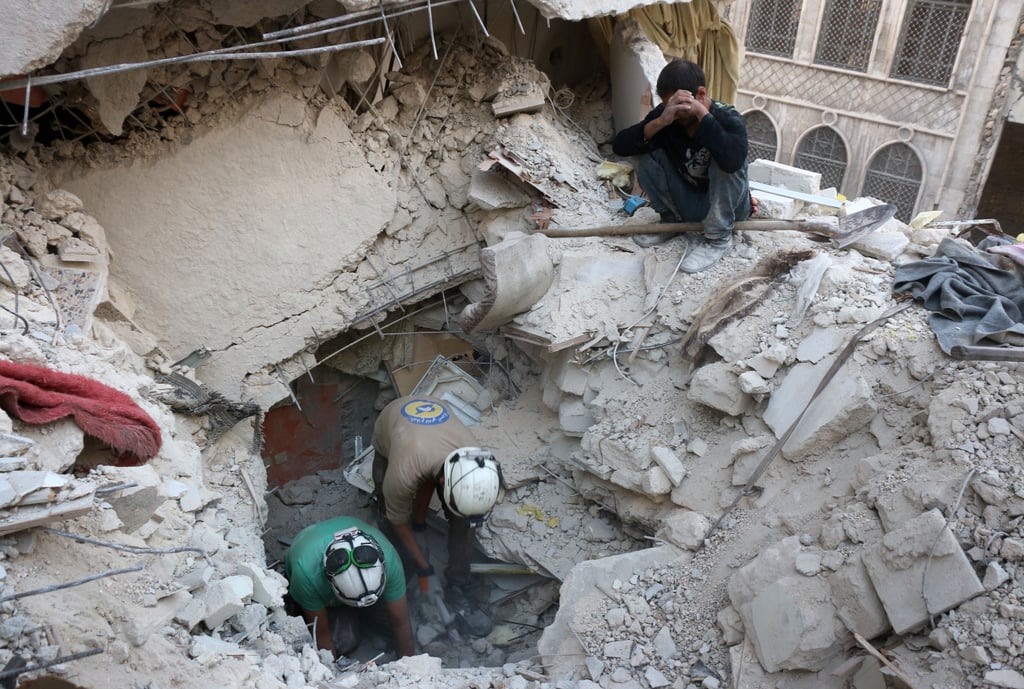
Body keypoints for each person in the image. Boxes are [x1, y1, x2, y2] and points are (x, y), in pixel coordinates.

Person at [371, 395, 502, 635]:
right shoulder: (404, 471)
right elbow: (398, 518)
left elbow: (429, 479)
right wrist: (424, 569)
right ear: (443, 480)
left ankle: (458, 583)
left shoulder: (478, 461)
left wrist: (420, 526)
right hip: (393, 423)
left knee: (464, 522)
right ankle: (400, 576)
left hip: (431, 441)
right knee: (390, 518)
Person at [612, 58, 752, 273]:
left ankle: (718, 239)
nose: (677, 115)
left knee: (727, 156)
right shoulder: (668, 115)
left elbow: (733, 161)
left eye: (682, 109)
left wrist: (703, 115)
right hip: (689, 203)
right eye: (671, 107)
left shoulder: (727, 118)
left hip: (729, 208)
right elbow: (621, 146)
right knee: (644, 151)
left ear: (701, 94)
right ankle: (672, 222)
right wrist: (660, 121)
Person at [284, 516, 414, 663]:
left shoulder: (389, 560)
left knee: (396, 627)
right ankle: (356, 619)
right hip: (308, 553)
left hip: (363, 588)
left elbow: (400, 622)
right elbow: (322, 636)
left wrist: (409, 668)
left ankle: (365, 619)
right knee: (345, 641)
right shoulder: (307, 575)